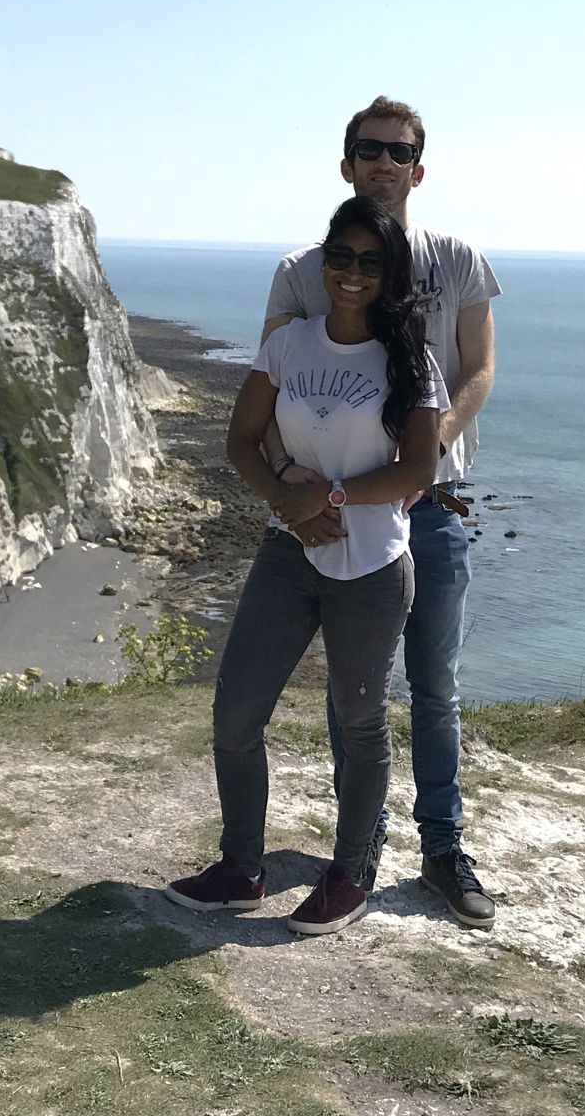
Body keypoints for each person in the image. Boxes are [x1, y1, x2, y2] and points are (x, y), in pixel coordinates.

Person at [165, 195, 448, 935]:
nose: (351, 274)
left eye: (370, 262)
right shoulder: (290, 343)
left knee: (359, 721)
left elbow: (419, 468)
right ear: (323, 264)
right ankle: (240, 869)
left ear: (392, 275)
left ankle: (349, 874)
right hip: (288, 552)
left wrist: (329, 496)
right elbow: (240, 442)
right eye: (340, 258)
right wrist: (288, 503)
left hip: (373, 566)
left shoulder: (409, 361)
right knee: (235, 713)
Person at [261, 96, 501, 929]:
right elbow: (272, 380)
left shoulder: (457, 258)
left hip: (428, 507)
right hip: (336, 517)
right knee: (355, 695)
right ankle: (355, 852)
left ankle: (444, 849)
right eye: (368, 150)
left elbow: (478, 368)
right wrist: (293, 485)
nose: (383, 163)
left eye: (398, 153)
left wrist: (421, 452)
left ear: (419, 169)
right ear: (346, 163)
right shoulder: (302, 268)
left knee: (435, 685)